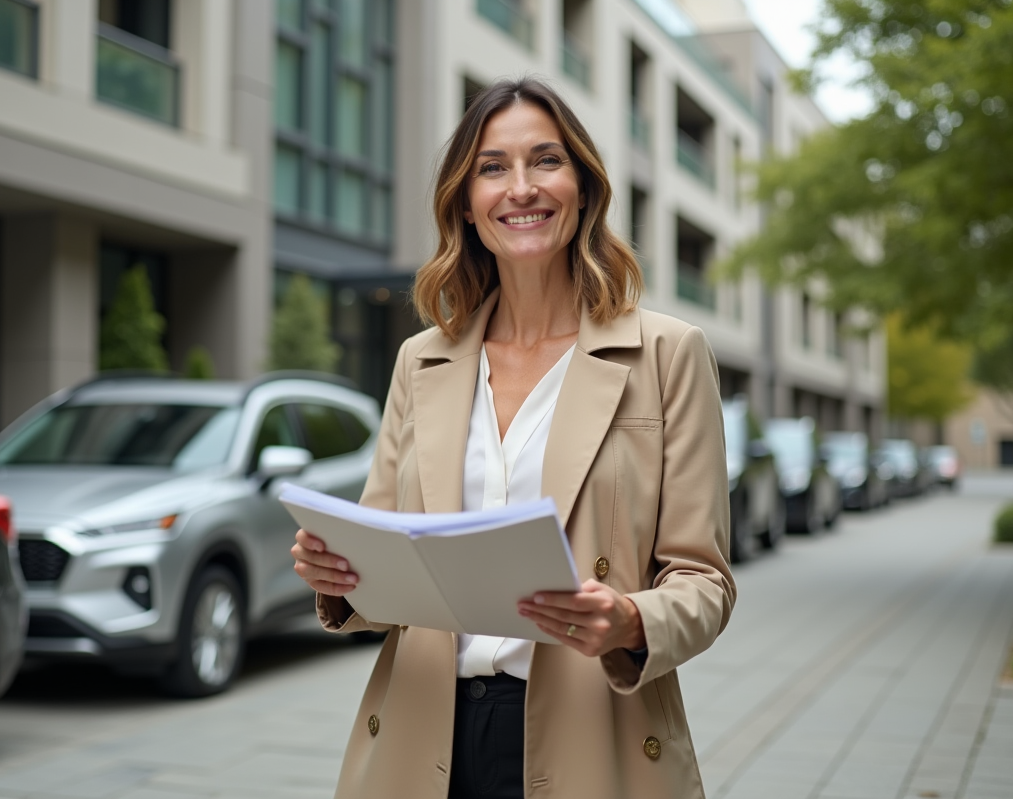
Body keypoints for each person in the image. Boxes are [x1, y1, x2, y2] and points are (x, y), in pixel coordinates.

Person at [290, 76, 735, 799]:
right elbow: (391, 561)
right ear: (466, 203)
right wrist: (343, 576)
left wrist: (630, 619)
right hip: (423, 737)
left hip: (593, 733)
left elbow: (705, 583)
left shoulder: (667, 355)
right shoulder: (421, 360)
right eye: (493, 168)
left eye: (546, 161)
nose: (520, 188)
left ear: (584, 188)